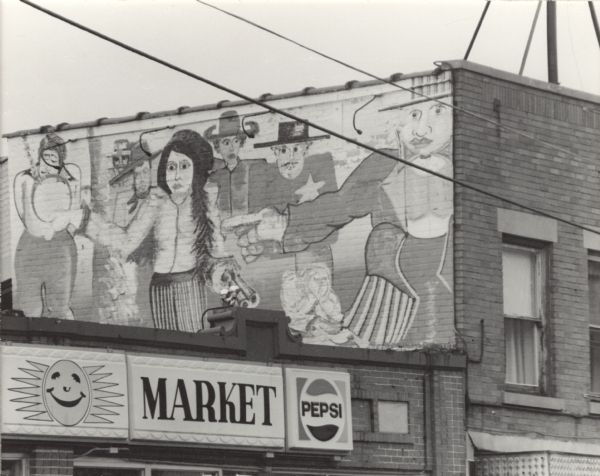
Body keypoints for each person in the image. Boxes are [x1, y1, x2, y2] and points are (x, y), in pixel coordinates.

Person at [223, 96, 453, 348]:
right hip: (392, 299)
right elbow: (342, 205)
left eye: (438, 112)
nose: (421, 129)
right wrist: (285, 222)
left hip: (440, 303)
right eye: (413, 115)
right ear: (397, 123)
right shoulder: (384, 164)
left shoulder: (463, 170)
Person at [78, 129, 237, 332]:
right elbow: (127, 241)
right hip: (159, 286)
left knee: (193, 341)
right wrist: (86, 220)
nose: (176, 175)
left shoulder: (205, 201)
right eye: (171, 167)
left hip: (189, 284)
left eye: (184, 166)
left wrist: (224, 280)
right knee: (166, 346)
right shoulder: (157, 202)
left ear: (196, 169)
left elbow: (217, 251)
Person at [13, 132, 81, 319]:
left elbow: (75, 211)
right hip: (30, 247)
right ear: (39, 156)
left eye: (54, 158)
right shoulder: (24, 178)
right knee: (29, 307)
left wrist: (59, 229)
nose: (49, 163)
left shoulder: (70, 178)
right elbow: (23, 212)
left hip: (60, 248)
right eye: (46, 156)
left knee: (59, 306)